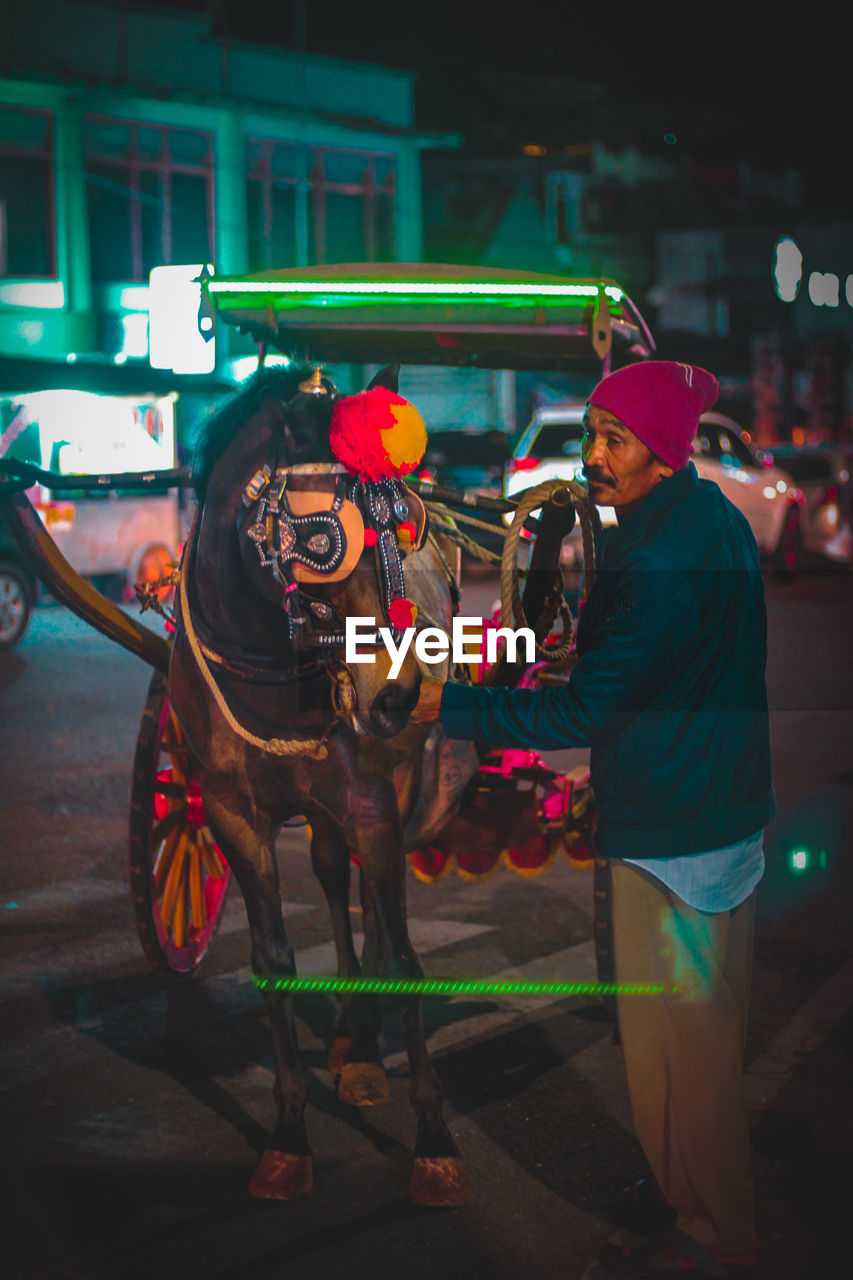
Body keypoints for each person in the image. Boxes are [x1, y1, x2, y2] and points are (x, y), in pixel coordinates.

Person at [411, 360, 774, 1279]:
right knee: (705, 1035)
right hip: (720, 807)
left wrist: (442, 706)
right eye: (593, 435)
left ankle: (716, 1227)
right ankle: (693, 1200)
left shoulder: (656, 555)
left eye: (614, 439)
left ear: (660, 450)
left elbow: (585, 714)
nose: (594, 456)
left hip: (673, 832)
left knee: (674, 1047)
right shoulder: (711, 523)